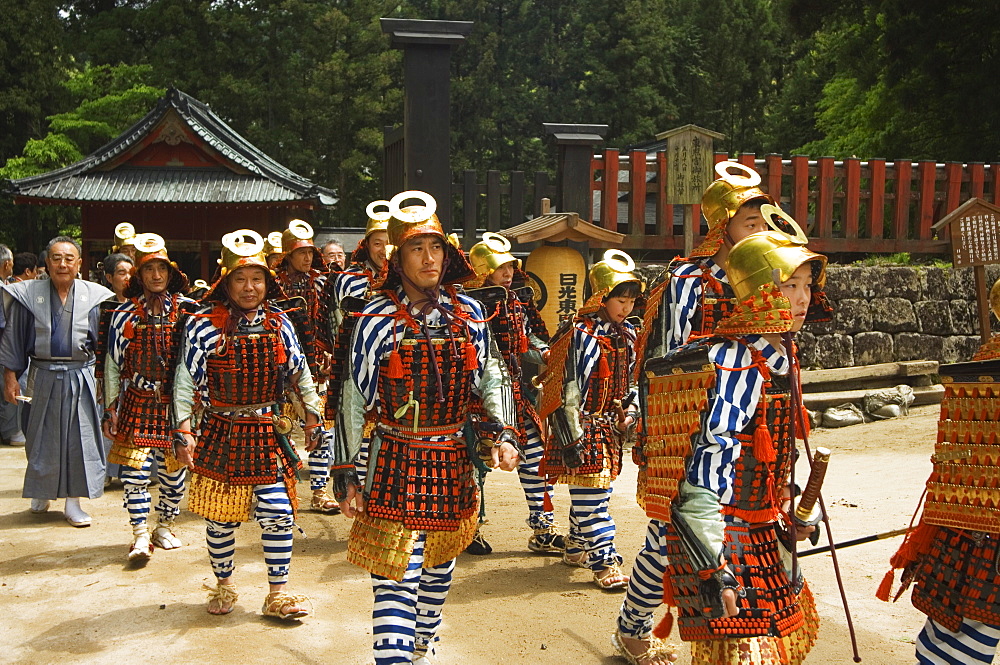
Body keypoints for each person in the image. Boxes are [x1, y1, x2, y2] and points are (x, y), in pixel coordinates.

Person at [615, 215, 825, 665]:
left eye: (807, 284)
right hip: (719, 523)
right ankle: (631, 628)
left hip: (755, 522)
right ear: (760, 290)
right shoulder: (734, 361)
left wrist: (788, 507)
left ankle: (628, 626)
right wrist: (714, 563)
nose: (803, 297)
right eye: (791, 285)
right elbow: (708, 469)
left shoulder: (782, 356)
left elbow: (770, 456)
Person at [335, 191, 520, 665]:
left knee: (439, 568)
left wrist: (502, 431)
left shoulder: (471, 314)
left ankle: (423, 646)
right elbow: (354, 397)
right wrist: (345, 469)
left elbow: (491, 375)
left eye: (435, 247)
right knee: (397, 576)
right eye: (416, 249)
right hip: (394, 457)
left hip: (453, 459)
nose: (428, 258)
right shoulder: (374, 318)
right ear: (396, 259)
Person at [173, 229, 321, 620]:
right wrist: (183, 430)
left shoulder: (279, 323)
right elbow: (185, 380)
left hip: (269, 429)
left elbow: (299, 371)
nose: (250, 287)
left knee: (278, 513)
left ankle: (278, 592)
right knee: (220, 519)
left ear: (267, 282)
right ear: (226, 282)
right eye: (240, 278)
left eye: (257, 278)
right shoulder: (202, 325)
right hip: (222, 430)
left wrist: (312, 413)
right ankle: (223, 585)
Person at [875, 279, 1000, 665]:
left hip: (977, 524)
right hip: (983, 526)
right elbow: (962, 460)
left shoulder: (984, 366)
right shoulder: (985, 372)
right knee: (964, 630)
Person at [539, 250, 643, 591]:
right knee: (594, 496)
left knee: (597, 491)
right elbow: (566, 387)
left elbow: (631, 379)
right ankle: (605, 561)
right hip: (582, 423)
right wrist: (571, 436)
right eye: (620, 299)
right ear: (602, 297)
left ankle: (575, 545)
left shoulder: (628, 334)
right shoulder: (580, 335)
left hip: (609, 426)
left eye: (630, 300)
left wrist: (630, 411)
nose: (626, 307)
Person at [0, 236, 113, 526]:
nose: (63, 264)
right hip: (41, 374)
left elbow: (104, 348)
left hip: (81, 374)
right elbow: (14, 338)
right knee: (40, 436)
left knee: (80, 437)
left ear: (79, 263)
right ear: (47, 263)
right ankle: (42, 490)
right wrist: (10, 376)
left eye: (69, 258)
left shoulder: (96, 296)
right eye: (56, 258)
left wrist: (105, 383)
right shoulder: (27, 295)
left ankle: (73, 502)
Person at [101, 233, 195, 563]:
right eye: (148, 270)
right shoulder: (124, 314)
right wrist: (110, 408)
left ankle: (165, 525)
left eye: (161, 269)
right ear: (139, 276)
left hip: (175, 406)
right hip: (138, 400)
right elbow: (112, 365)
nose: (156, 276)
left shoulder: (188, 311)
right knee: (135, 472)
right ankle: (140, 533)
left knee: (174, 473)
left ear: (170, 273)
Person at [466, 232, 561, 555]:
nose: (508, 273)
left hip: (517, 393)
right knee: (478, 465)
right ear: (483, 271)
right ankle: (470, 530)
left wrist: (547, 354)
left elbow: (528, 340)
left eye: (510, 265)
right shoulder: (467, 306)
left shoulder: (519, 300)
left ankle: (543, 527)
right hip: (478, 399)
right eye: (500, 267)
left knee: (535, 458)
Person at [664, 162, 774, 352]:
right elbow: (674, 351)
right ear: (721, 226)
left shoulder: (767, 277)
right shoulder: (689, 278)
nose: (761, 233)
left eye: (766, 225)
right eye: (751, 225)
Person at [274, 220, 336, 514]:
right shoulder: (273, 285)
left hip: (315, 367)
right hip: (278, 370)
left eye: (311, 252)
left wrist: (328, 352)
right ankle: (280, 490)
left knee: (319, 429)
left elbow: (328, 323)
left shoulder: (322, 283)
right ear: (288, 254)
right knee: (278, 431)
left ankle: (320, 491)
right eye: (301, 253)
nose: (307, 257)